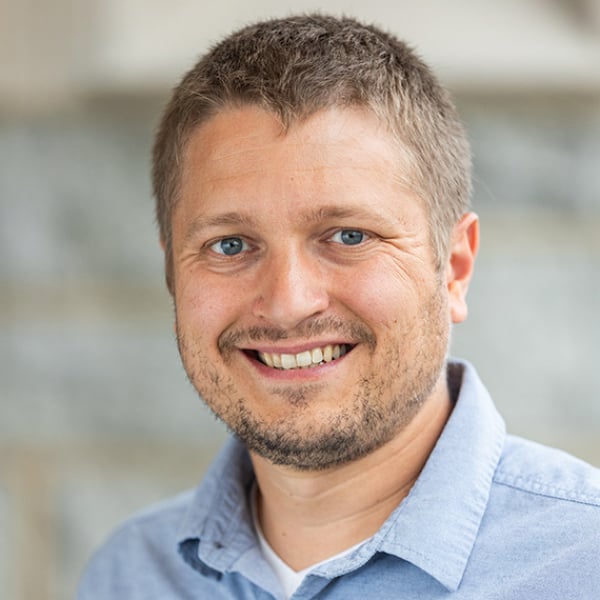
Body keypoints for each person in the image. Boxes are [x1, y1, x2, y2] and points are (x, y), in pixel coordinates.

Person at [77, 14, 600, 599]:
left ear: (454, 267)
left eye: (349, 236)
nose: (288, 303)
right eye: (230, 245)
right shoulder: (129, 575)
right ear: (173, 272)